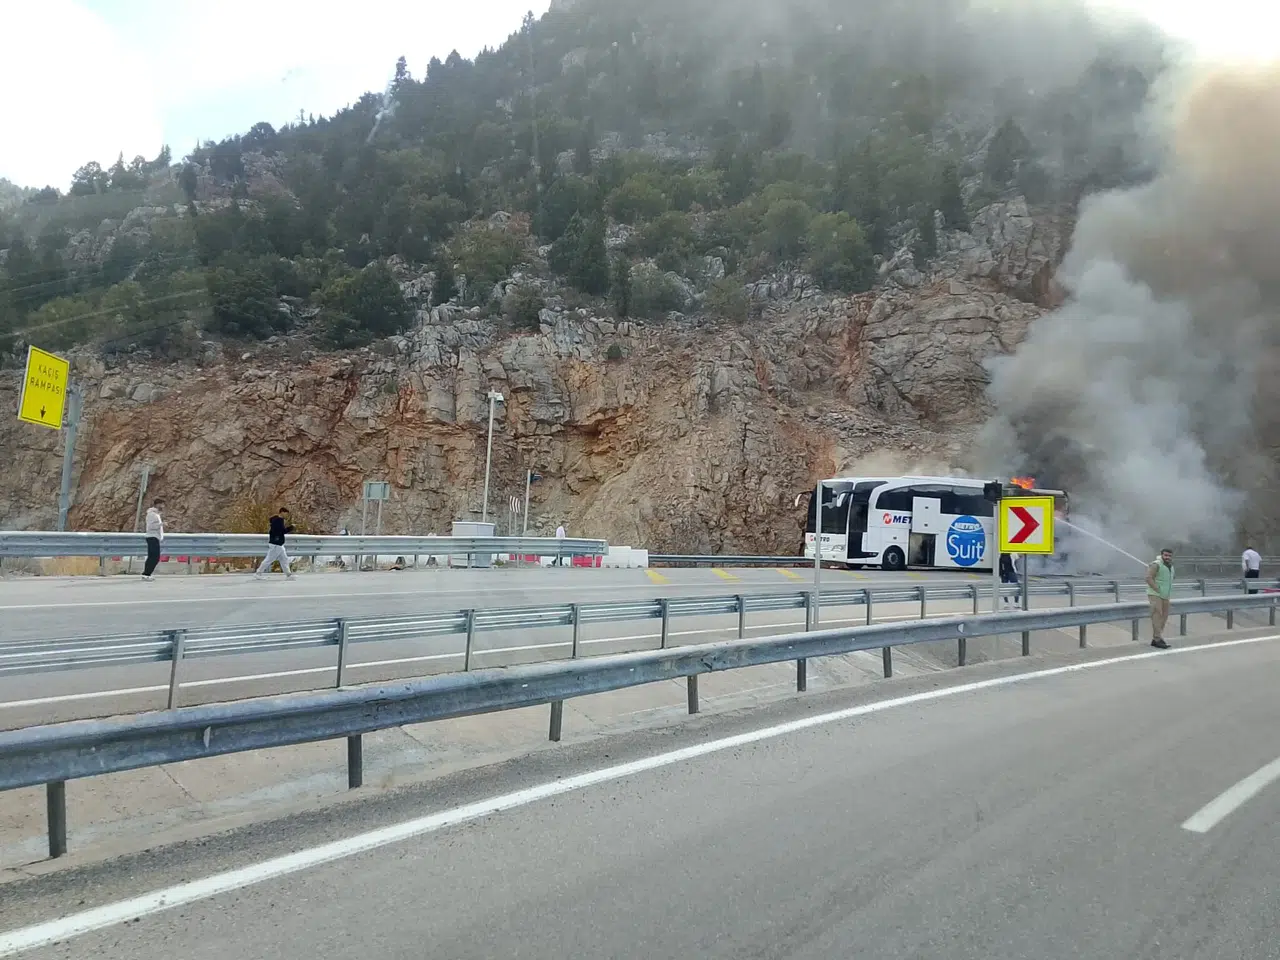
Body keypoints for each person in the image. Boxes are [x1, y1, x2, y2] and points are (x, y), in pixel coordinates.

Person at [1146, 548, 1175, 649]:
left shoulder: (1170, 566)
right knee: (1157, 615)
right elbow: (1148, 578)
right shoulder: (1156, 564)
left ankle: (1157, 637)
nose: (1167, 557)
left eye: (1169, 556)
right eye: (1165, 555)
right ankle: (1157, 639)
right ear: (1161, 555)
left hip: (1165, 595)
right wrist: (1157, 589)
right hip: (1155, 594)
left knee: (1164, 616)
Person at [256, 507, 295, 580]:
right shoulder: (278, 521)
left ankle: (288, 575)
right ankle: (258, 573)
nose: (287, 515)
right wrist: (291, 527)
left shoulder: (277, 520)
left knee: (284, 560)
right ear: (282, 512)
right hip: (276, 544)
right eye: (286, 514)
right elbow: (281, 531)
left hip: (279, 544)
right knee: (269, 560)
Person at [142, 499, 165, 581]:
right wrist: (161, 524)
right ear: (157, 504)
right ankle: (146, 574)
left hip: (155, 537)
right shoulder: (152, 514)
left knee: (152, 557)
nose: (163, 506)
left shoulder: (156, 514)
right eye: (162, 504)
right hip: (152, 537)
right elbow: (150, 527)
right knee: (154, 557)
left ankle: (147, 574)